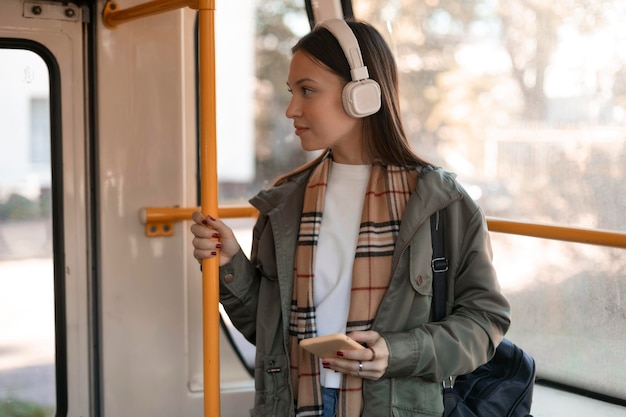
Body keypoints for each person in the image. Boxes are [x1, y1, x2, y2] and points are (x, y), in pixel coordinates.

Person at [190, 18, 510, 417]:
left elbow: (485, 322)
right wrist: (230, 264)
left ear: (363, 95)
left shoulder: (441, 204)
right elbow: (269, 331)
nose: (291, 109)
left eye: (307, 91)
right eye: (293, 92)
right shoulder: (284, 205)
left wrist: (396, 353)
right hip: (295, 404)